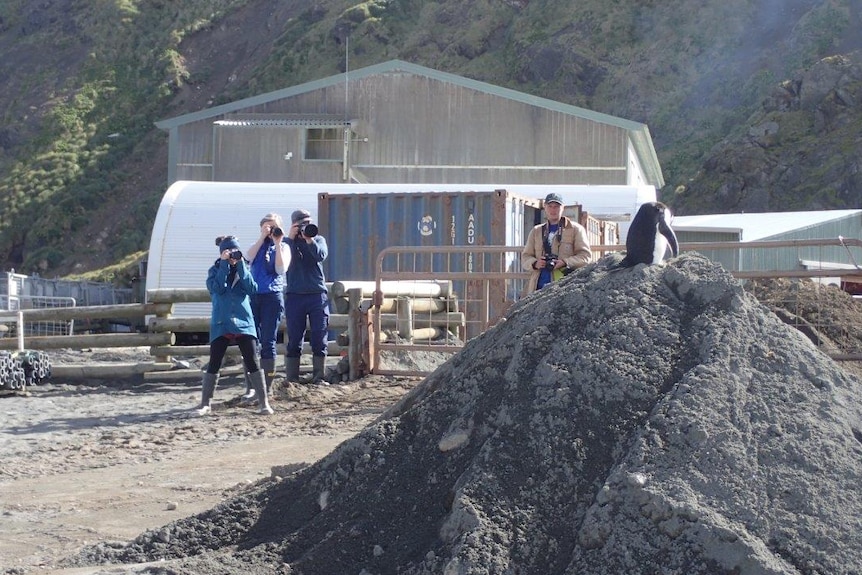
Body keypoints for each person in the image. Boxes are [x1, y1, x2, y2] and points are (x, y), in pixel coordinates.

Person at [195, 235, 273, 416]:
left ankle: (264, 403)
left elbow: (252, 288)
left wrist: (240, 266)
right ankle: (205, 403)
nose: (231, 255)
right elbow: (218, 288)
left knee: (252, 360)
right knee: (214, 361)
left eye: (234, 251)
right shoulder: (213, 270)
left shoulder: (244, 268)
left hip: (244, 321)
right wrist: (224, 264)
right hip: (222, 321)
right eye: (227, 252)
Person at [242, 213, 290, 404]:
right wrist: (262, 237)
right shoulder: (257, 246)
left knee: (268, 341)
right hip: (254, 296)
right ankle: (250, 387)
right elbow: (247, 257)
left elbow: (281, 269)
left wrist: (277, 243)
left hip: (272, 296)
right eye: (267, 227)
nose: (271, 230)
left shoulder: (284, 247)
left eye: (274, 227)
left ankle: (267, 388)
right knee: (249, 341)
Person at [283, 209, 329, 384]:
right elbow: (281, 259)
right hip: (295, 296)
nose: (305, 227)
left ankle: (319, 377)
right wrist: (289, 237)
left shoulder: (318, 240)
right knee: (294, 338)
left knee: (319, 336)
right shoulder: (288, 243)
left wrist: (309, 239)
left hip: (317, 294)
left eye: (308, 223)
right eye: (301, 224)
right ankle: (292, 379)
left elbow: (320, 255)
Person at [521, 192, 592, 295]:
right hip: (537, 287)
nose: (553, 210)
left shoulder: (576, 229)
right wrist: (535, 263)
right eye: (550, 206)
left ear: (563, 208)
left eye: (556, 207)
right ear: (545, 208)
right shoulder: (536, 231)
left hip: (564, 287)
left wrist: (565, 262)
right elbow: (525, 256)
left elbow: (586, 257)